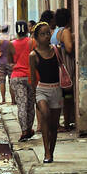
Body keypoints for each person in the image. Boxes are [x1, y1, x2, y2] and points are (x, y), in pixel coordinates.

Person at [29, 22, 63, 163]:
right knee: (45, 114)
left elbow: (62, 67)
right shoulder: (33, 55)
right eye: (42, 34)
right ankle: (46, 152)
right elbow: (32, 78)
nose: (46, 36)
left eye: (48, 33)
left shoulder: (56, 50)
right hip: (41, 89)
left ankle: (51, 152)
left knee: (54, 125)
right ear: (36, 37)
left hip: (56, 89)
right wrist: (33, 97)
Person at [10, 22, 35, 141]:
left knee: (21, 104)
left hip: (16, 76)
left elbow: (10, 62)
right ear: (26, 30)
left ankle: (24, 130)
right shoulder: (31, 42)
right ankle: (29, 129)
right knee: (30, 104)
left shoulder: (11, 44)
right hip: (30, 76)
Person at [52, 8, 75, 131]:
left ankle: (58, 123)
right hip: (66, 67)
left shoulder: (55, 32)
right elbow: (70, 48)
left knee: (59, 97)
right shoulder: (65, 32)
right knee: (67, 96)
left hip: (57, 68)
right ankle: (66, 124)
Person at [0, 28, 15, 105]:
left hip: (1, 62)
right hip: (9, 62)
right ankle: (13, 100)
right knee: (11, 81)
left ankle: (3, 100)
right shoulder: (10, 39)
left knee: (2, 81)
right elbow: (13, 51)